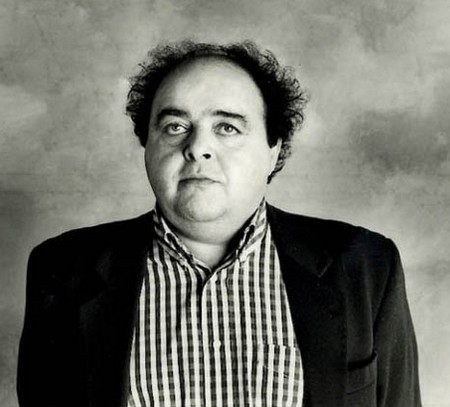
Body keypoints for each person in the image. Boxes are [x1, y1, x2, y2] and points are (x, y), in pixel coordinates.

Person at [17, 41, 421, 407]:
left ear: (273, 148)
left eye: (227, 127)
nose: (197, 148)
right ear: (147, 146)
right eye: (175, 127)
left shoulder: (364, 266)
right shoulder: (63, 270)